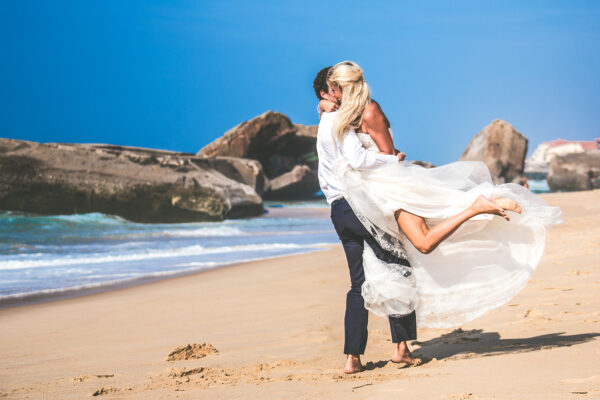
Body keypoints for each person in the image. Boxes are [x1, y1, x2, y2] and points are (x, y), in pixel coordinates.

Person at [325, 60, 561, 331]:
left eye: (334, 90)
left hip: (392, 189)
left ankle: (476, 207)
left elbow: (390, 155)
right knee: (415, 249)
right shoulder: (350, 113)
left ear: (343, 87)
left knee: (424, 242)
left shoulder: (369, 111)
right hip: (374, 196)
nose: (333, 96)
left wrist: (385, 165)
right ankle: (401, 348)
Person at [315, 69, 420, 374]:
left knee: (358, 283)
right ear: (326, 94)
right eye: (335, 90)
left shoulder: (323, 123)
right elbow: (358, 160)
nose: (340, 94)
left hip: (337, 210)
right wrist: (393, 160)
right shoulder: (339, 121)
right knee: (398, 265)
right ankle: (401, 349)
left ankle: (353, 359)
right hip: (356, 205)